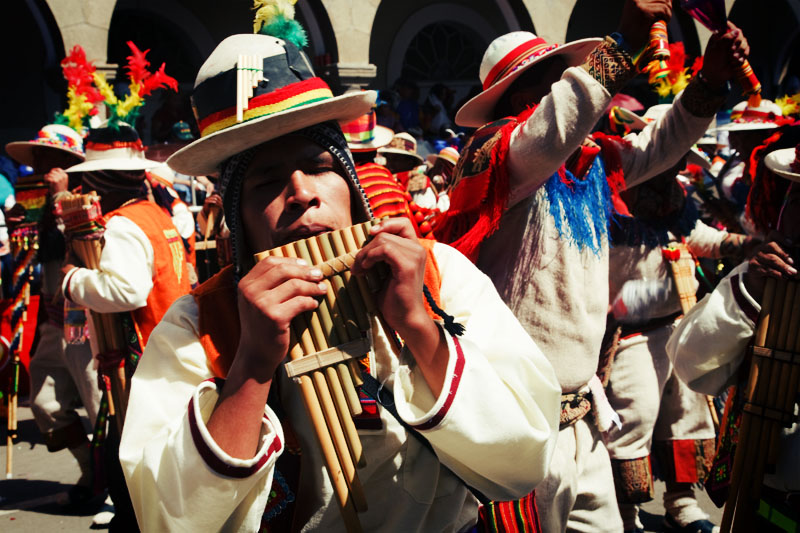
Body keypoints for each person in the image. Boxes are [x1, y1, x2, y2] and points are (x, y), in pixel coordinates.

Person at [119, 32, 560, 532]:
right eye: (266, 181)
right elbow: (166, 518)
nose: (302, 193)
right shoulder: (196, 323)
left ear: (352, 185)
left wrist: (418, 323)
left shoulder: (439, 273)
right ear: (238, 220)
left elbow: (524, 458)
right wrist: (253, 365)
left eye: (319, 167)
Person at [433, 1, 751, 529]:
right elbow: (548, 133)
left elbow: (662, 145)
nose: (573, 88)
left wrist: (711, 81)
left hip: (581, 417)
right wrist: (622, 41)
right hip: (514, 423)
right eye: (553, 81)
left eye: (568, 76)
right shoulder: (495, 156)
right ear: (518, 100)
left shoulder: (592, 162)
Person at [604, 105, 757, 533]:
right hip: (630, 335)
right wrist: (653, 295)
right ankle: (623, 514)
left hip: (678, 323)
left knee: (687, 415)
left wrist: (746, 246)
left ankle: (682, 503)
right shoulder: (611, 195)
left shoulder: (675, 195)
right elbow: (606, 285)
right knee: (634, 418)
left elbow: (697, 238)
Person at [62, 122, 193, 531]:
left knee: (138, 459)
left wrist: (71, 279)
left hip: (146, 350)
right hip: (174, 340)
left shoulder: (122, 224)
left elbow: (127, 291)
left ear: (101, 180)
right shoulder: (155, 213)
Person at [666, 137, 800, 532]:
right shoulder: (765, 276)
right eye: (794, 200)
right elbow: (692, 365)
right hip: (770, 503)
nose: (793, 217)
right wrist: (751, 292)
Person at [4, 124, 102, 505]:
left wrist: (62, 198)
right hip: (50, 318)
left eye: (50, 158)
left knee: (99, 405)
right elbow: (25, 257)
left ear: (67, 163)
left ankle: (119, 488)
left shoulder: (87, 196)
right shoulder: (31, 200)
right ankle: (93, 471)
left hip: (81, 320)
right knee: (44, 403)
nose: (42, 165)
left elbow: (85, 243)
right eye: (38, 158)